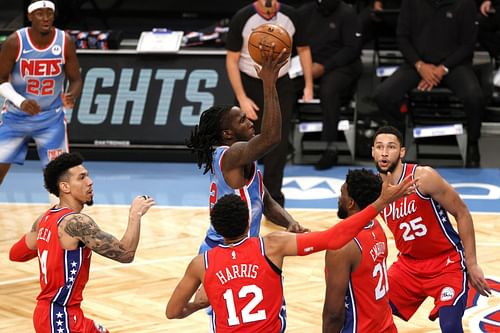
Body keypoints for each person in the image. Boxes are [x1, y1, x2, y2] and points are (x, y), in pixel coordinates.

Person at [166, 171, 414, 331]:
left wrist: (199, 304)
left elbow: (172, 311)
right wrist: (381, 203)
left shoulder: (201, 264)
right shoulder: (273, 245)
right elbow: (333, 237)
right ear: (247, 222)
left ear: (216, 226)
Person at [9, 152, 155, 332]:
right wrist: (135, 215)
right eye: (82, 177)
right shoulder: (76, 223)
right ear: (65, 187)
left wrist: (48, 245)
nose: (90, 181)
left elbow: (15, 254)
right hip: (60, 319)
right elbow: (126, 254)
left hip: (54, 314)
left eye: (88, 175)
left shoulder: (44, 219)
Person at [187, 43, 308, 256]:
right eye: (242, 120)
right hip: (221, 252)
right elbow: (271, 137)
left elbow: (267, 203)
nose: (251, 121)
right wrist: (269, 83)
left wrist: (291, 223)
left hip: (242, 251)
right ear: (227, 134)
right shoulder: (230, 155)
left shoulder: (243, 160)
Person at [371, 125, 492, 332]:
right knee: (369, 312)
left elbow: (462, 213)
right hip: (408, 267)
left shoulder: (422, 177)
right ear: (372, 151)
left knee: (451, 325)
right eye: (379, 147)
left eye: (391, 147)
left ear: (401, 152)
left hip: (446, 263)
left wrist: (472, 264)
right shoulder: (373, 189)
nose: (384, 152)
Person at [372, 0, 485, 168]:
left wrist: (442, 69)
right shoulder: (411, 3)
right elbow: (402, 37)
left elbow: (468, 44)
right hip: (416, 64)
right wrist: (420, 65)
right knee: (383, 95)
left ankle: (473, 142)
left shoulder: (465, 3)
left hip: (454, 66)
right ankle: (399, 140)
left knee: (474, 96)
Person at [225, 0, 314, 206]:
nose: (269, 4)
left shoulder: (292, 16)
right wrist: (242, 98)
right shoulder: (242, 17)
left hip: (280, 83)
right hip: (249, 82)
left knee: (278, 143)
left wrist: (308, 84)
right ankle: (241, 198)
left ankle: (273, 199)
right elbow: (231, 60)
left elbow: (304, 50)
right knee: (244, 144)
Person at [0, 0, 82, 185]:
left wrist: (71, 95)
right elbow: (1, 79)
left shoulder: (64, 41)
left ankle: (60, 214)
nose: (45, 18)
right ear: (30, 16)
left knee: (60, 179)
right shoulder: (15, 41)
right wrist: (21, 101)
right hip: (15, 117)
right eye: (39, 13)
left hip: (50, 119)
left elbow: (76, 79)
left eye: (49, 13)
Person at [322, 169, 397, 332]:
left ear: (351, 203)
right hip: (386, 327)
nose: (339, 198)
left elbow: (334, 313)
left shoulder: (342, 245)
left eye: (342, 193)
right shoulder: (377, 228)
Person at [297, 0, 363, 170]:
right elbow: (297, 44)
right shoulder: (304, 12)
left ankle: (330, 148)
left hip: (342, 65)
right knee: (284, 82)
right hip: (308, 64)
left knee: (329, 89)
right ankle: (280, 141)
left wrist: (325, 67)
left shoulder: (348, 12)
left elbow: (352, 48)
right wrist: (306, 66)